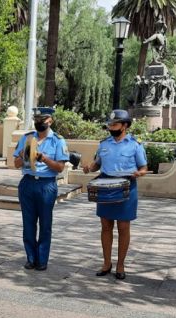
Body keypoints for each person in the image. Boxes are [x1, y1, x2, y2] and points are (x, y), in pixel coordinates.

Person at [83, 109, 148, 280]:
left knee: (123, 227)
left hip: (126, 186)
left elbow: (143, 168)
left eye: (115, 124)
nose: (111, 127)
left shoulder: (135, 144)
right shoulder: (104, 144)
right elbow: (97, 164)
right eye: (110, 124)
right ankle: (106, 263)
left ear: (125, 126)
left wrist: (140, 173)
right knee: (105, 225)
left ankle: (120, 265)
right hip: (105, 186)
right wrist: (89, 167)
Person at [14, 107, 70, 271]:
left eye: (42, 120)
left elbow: (60, 167)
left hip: (46, 184)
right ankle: (31, 258)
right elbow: (15, 164)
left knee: (45, 224)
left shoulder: (58, 141)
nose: (39, 123)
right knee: (28, 223)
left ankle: (42, 259)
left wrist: (44, 158)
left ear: (50, 121)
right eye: (36, 120)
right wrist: (24, 154)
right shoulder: (27, 138)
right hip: (28, 183)